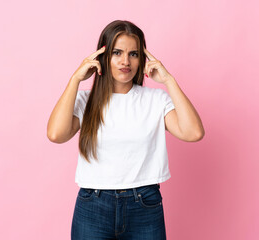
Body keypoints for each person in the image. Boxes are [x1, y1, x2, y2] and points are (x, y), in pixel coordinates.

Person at [47, 20, 205, 240]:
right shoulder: (85, 101)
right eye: (117, 52)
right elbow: (56, 134)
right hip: (93, 204)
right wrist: (75, 79)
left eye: (134, 54)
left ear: (142, 59)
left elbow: (193, 133)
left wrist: (169, 81)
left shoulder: (156, 100)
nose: (125, 61)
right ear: (102, 56)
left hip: (144, 204)